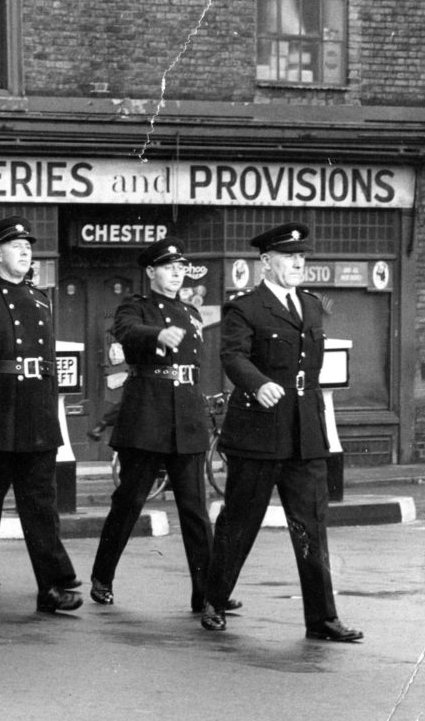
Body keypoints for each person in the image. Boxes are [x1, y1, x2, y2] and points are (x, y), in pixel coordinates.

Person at [201, 222, 363, 642]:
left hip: (304, 432)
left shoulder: (310, 306)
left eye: (301, 257)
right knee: (240, 521)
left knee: (312, 525)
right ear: (265, 262)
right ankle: (214, 601)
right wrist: (258, 382)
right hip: (259, 431)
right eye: (289, 257)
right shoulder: (246, 307)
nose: (297, 263)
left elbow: (311, 369)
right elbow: (232, 355)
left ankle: (323, 619)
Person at [88, 238, 240, 614]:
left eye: (180, 267)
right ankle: (102, 576)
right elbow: (124, 330)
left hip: (186, 417)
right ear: (151, 272)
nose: (176, 273)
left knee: (194, 509)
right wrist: (156, 334)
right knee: (128, 503)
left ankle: (203, 593)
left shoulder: (190, 313)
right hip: (147, 416)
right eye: (168, 267)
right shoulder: (136, 307)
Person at [0, 216, 81, 613]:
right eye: (16, 246)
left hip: (36, 416)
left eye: (28, 246)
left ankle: (53, 586)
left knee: (41, 506)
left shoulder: (41, 299)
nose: (25, 251)